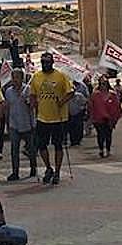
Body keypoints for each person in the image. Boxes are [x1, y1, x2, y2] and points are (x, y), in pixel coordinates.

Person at [29, 52, 73, 185]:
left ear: (52, 63)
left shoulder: (61, 76)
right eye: (43, 62)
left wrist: (62, 101)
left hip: (58, 118)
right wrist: (32, 104)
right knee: (41, 145)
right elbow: (33, 94)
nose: (45, 65)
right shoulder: (36, 77)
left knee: (58, 145)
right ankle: (48, 168)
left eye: (47, 62)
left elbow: (70, 92)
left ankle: (58, 172)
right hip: (42, 117)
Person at [1, 67, 37, 181]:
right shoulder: (8, 91)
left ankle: (33, 168)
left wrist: (28, 101)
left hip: (27, 124)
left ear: (22, 78)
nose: (14, 80)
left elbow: (33, 105)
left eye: (17, 77)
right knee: (14, 150)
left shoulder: (28, 89)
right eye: (13, 77)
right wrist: (6, 122)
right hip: (14, 124)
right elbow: (7, 107)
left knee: (31, 148)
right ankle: (15, 172)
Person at [90, 76, 122, 158]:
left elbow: (117, 107)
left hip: (109, 119)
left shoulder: (113, 94)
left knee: (108, 135)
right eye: (101, 84)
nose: (103, 86)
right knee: (100, 134)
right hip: (98, 119)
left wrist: (115, 118)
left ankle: (108, 150)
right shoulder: (95, 95)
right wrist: (91, 117)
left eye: (104, 84)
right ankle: (101, 149)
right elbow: (91, 106)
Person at [67, 76, 90, 146]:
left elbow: (86, 101)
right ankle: (73, 141)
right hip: (70, 114)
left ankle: (78, 140)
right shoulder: (67, 97)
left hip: (78, 113)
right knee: (71, 127)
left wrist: (84, 110)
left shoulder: (79, 95)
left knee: (78, 127)